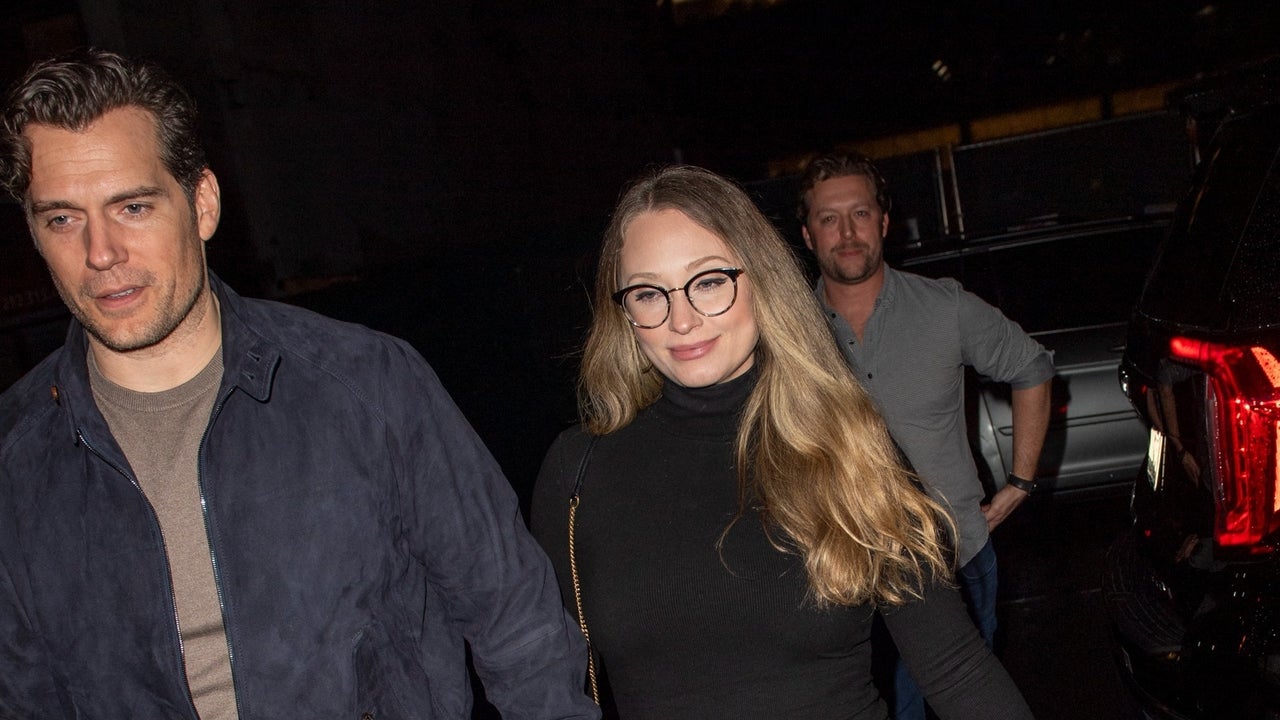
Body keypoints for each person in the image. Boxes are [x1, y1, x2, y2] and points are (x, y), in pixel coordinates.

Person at [0, 48, 598, 719]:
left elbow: (519, 629)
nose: (101, 252)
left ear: (202, 204)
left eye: (133, 207)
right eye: (62, 219)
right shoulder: (16, 461)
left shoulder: (367, 385)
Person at [530, 164, 1035, 720]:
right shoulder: (579, 471)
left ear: (762, 280)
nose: (682, 319)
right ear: (624, 311)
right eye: (649, 293)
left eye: (709, 281)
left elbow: (956, 668)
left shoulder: (846, 446)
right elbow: (550, 678)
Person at [797, 151, 1053, 719]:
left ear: (884, 222)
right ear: (808, 234)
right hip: (845, 581)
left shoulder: (944, 307)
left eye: (860, 214)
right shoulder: (789, 337)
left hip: (955, 559)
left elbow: (1031, 367)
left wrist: (1020, 482)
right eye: (829, 218)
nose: (847, 233)